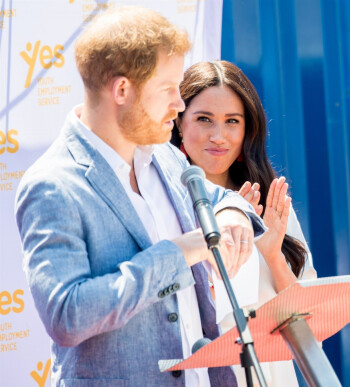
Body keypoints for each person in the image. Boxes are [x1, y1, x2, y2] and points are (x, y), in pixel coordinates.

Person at [15, 6, 264, 386]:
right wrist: (177, 254)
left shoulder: (160, 155)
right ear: (122, 90)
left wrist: (232, 212)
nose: (179, 105)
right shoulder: (52, 184)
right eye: (168, 89)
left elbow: (217, 198)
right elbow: (66, 316)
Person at [171, 60, 317, 386]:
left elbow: (308, 322)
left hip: (272, 375)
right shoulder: (163, 206)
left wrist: (270, 254)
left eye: (232, 121)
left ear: (247, 129)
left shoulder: (270, 205)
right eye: (204, 119)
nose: (219, 136)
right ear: (179, 123)